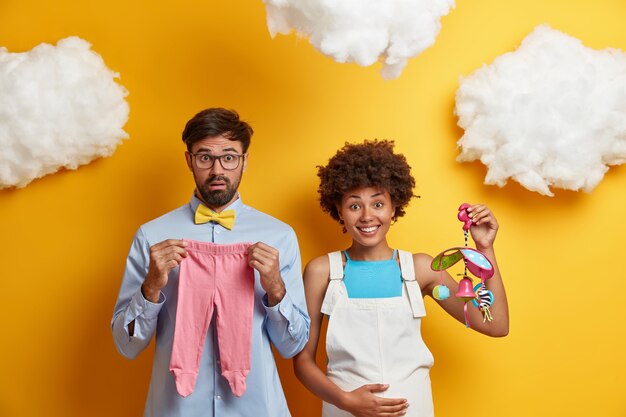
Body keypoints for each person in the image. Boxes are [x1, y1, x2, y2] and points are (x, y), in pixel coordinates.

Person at [111, 108, 310, 417]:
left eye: (229, 157)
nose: (218, 170)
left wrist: (276, 289)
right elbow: (127, 346)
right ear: (189, 160)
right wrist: (150, 287)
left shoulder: (279, 236)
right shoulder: (152, 236)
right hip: (176, 409)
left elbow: (292, 347)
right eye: (205, 158)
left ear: (244, 160)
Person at [293, 140, 509, 417]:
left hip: (413, 409)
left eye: (378, 203)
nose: (367, 216)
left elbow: (496, 325)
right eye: (354, 206)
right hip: (343, 410)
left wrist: (485, 248)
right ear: (339, 211)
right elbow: (302, 362)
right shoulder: (321, 271)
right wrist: (346, 401)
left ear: (394, 207)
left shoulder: (421, 268)